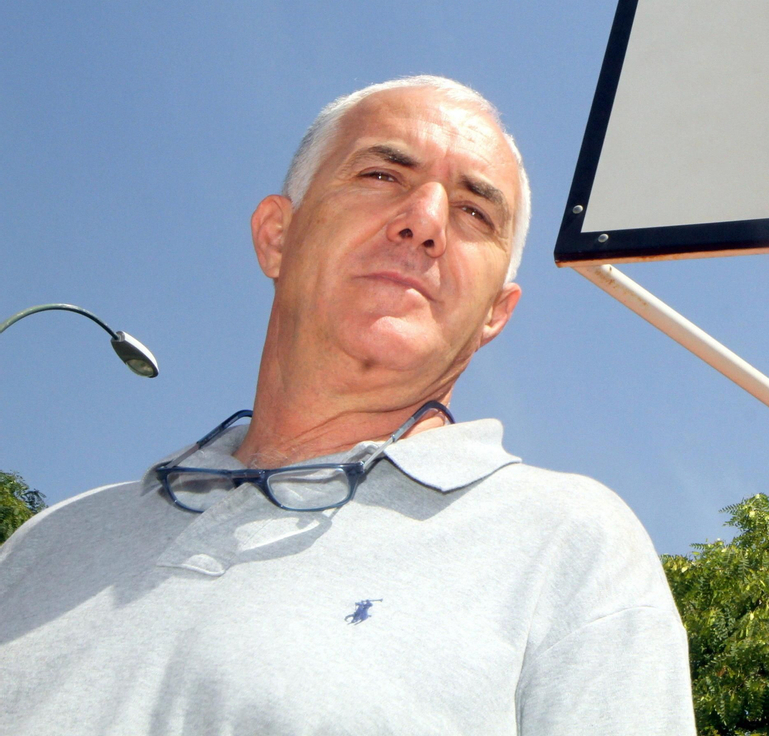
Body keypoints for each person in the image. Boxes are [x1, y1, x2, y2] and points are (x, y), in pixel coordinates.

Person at [0, 75, 695, 734]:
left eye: (475, 212)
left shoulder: (568, 543)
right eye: (382, 175)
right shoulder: (45, 545)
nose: (425, 222)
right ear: (277, 235)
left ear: (495, 313)